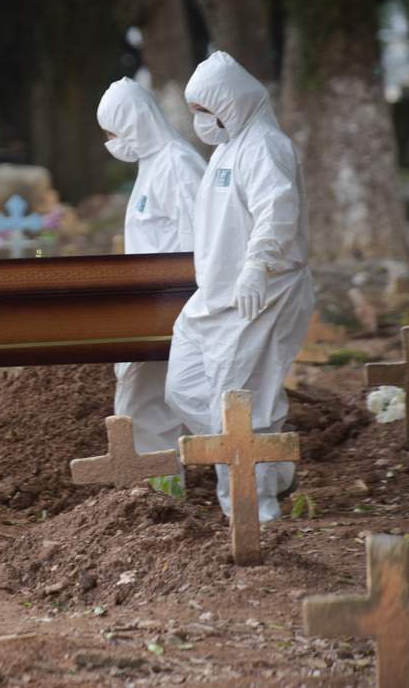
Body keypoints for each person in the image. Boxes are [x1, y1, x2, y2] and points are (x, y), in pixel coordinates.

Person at [165, 51, 314, 522]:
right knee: (184, 388)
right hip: (214, 298)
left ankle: (254, 513)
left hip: (262, 292)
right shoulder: (227, 149)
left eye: (206, 111)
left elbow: (278, 209)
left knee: (239, 400)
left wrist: (257, 265)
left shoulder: (266, 145)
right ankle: (267, 461)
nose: (201, 123)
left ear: (231, 103)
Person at [97, 78, 206, 458]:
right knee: (142, 399)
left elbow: (199, 242)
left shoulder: (177, 164)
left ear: (136, 122)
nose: (112, 142)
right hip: (149, 304)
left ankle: (260, 469)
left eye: (115, 132)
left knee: (183, 394)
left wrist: (180, 303)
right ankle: (156, 489)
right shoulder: (152, 164)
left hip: (174, 303)